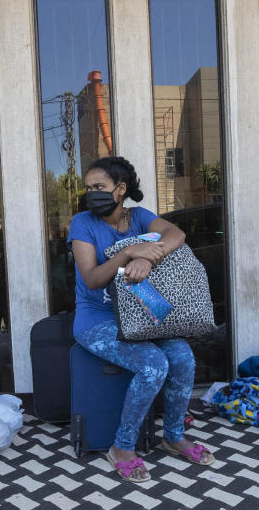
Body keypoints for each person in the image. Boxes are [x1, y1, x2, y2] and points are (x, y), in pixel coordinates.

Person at [67, 156, 214, 482]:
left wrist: (150, 257)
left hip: (144, 310)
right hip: (98, 318)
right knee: (153, 365)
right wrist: (128, 254)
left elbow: (177, 234)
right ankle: (122, 447)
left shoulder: (138, 218)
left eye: (99, 187)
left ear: (120, 190)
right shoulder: (83, 223)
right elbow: (91, 278)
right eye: (89, 188)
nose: (92, 193)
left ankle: (173, 436)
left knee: (183, 357)